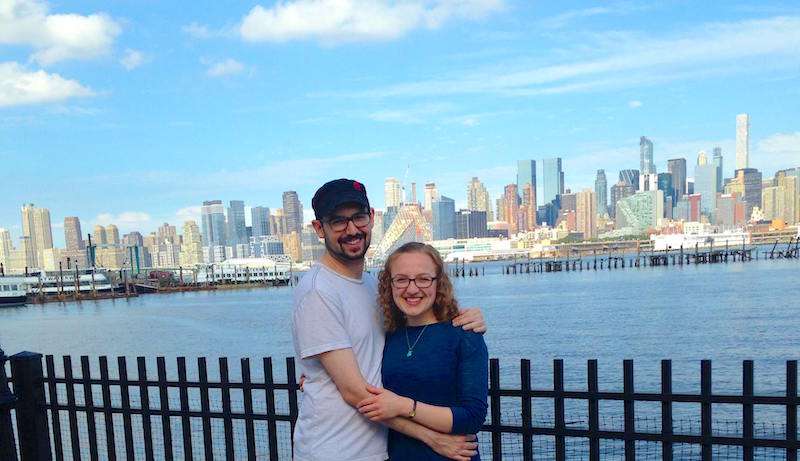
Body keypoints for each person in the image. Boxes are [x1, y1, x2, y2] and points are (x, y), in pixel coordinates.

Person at [291, 178, 486, 461]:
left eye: (358, 217)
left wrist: (472, 317)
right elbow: (357, 393)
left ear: (371, 218)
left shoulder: (371, 287)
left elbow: (395, 335)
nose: (352, 229)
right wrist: (432, 438)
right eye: (338, 221)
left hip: (379, 450)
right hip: (334, 450)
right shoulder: (318, 291)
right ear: (319, 228)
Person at [357, 242, 488, 460]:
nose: (412, 289)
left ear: (439, 283)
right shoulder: (385, 336)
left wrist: (403, 406)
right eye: (401, 279)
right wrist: (317, 374)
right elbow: (355, 379)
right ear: (389, 284)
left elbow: (472, 417)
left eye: (423, 279)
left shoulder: (464, 334)